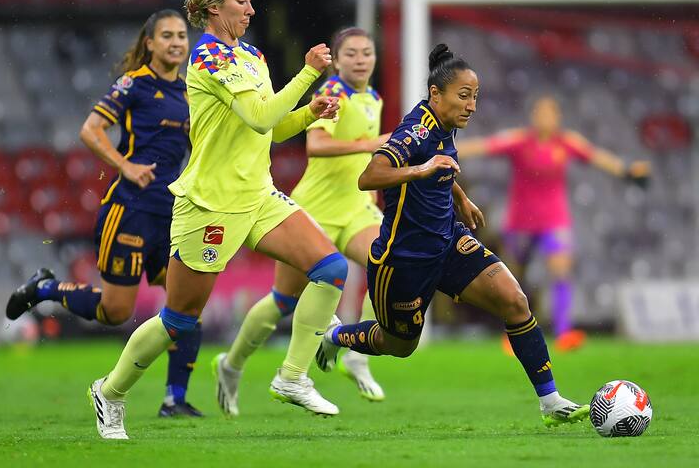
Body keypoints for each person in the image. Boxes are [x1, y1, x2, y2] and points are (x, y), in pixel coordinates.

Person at [88, 0, 347, 440]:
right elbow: (259, 114)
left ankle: (292, 376)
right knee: (178, 321)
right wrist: (310, 72)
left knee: (331, 269)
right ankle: (111, 390)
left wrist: (309, 114)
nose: (251, 8)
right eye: (242, 0)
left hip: (259, 196)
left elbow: (269, 128)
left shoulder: (251, 54)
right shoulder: (209, 56)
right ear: (214, 7)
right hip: (210, 205)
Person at [316, 44, 591, 428]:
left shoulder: (446, 126)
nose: (472, 106)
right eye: (464, 96)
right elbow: (370, 177)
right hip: (404, 260)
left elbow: (442, 163)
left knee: (514, 300)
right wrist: (421, 170)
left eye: (475, 97)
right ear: (435, 95)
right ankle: (338, 334)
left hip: (448, 242)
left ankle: (550, 401)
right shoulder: (415, 131)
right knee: (399, 345)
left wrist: (459, 197)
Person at [5, 10, 203, 418]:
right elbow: (90, 129)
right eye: (166, 35)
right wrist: (125, 165)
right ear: (149, 43)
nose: (176, 42)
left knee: (187, 304)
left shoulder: (190, 92)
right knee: (117, 312)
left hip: (171, 212)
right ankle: (43, 289)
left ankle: (174, 400)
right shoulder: (134, 85)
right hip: (129, 209)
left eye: (181, 35)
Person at [213, 27, 390, 416]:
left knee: (391, 261)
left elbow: (359, 158)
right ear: (338, 61)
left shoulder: (373, 98)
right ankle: (231, 365)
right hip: (315, 211)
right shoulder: (333, 95)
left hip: (356, 210)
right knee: (283, 300)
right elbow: (317, 145)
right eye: (352, 54)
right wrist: (370, 145)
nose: (361, 59)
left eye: (367, 53)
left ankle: (356, 352)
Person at [455, 95, 650, 351]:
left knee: (560, 270)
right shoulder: (520, 141)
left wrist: (626, 171)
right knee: (514, 278)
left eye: (550, 113)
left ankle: (563, 333)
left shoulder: (566, 143)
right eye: (541, 113)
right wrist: (444, 151)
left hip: (554, 219)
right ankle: (514, 334)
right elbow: (483, 146)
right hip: (521, 221)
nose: (545, 118)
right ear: (534, 116)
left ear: (557, 117)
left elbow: (596, 157)